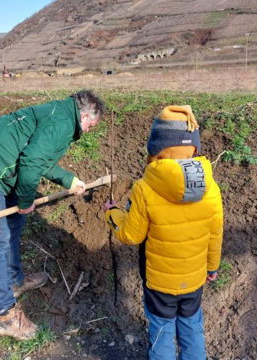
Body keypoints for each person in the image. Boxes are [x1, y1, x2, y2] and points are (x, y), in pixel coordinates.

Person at [0, 90, 105, 341]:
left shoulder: (61, 114)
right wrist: (24, 200)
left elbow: (39, 158)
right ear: (84, 115)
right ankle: (4, 316)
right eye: (91, 125)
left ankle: (13, 281)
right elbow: (32, 162)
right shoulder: (63, 122)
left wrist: (69, 179)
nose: (89, 130)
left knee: (14, 221)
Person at [103, 105, 223, 360]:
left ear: (156, 149)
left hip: (158, 283)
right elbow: (215, 234)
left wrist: (111, 213)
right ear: (194, 147)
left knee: (161, 331)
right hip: (194, 280)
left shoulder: (144, 188)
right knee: (192, 327)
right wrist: (212, 268)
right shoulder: (211, 188)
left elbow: (131, 235)